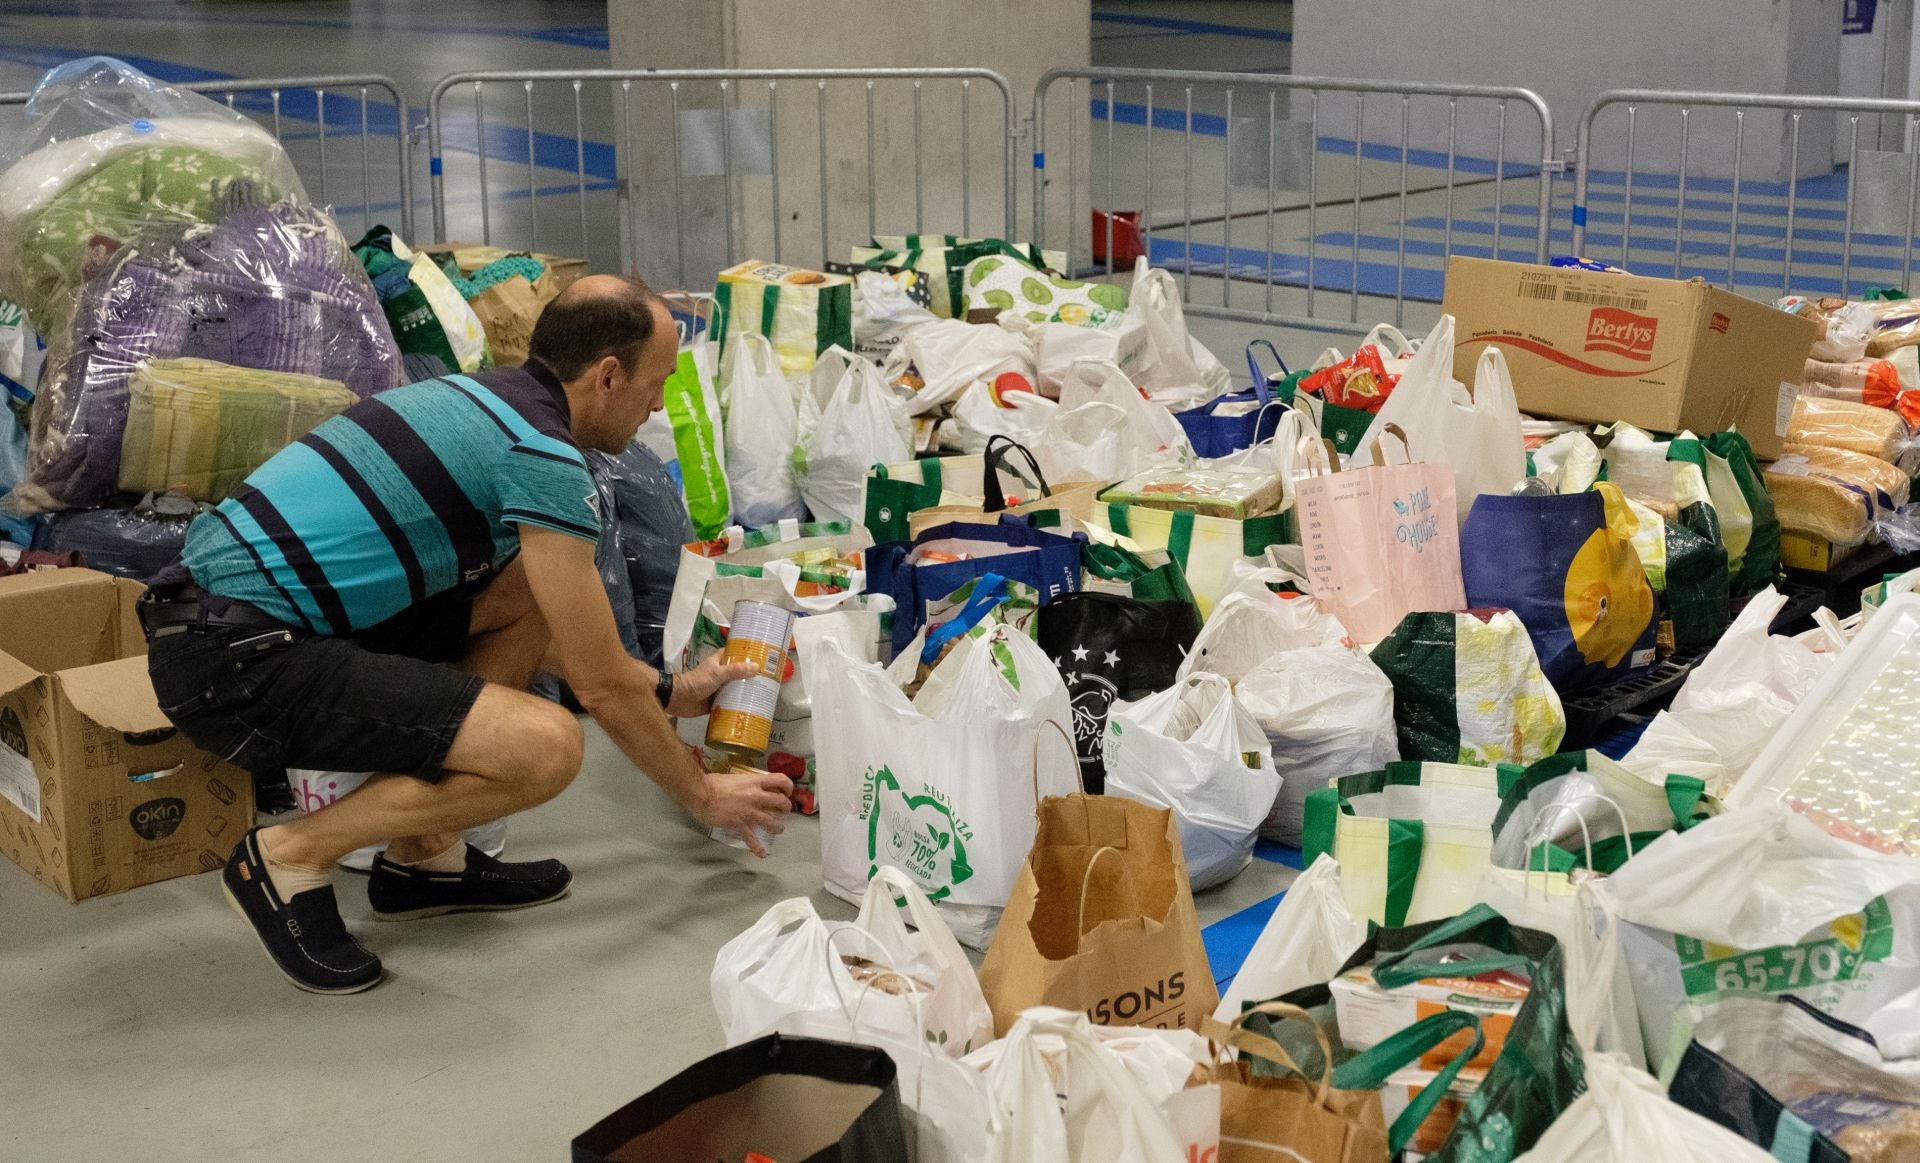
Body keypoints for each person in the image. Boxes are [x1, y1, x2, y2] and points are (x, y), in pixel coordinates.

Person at [140, 275, 793, 995]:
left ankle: (423, 858)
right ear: (608, 375)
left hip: (230, 628)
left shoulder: (486, 399)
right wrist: (704, 796)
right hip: (232, 661)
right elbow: (602, 687)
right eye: (657, 381)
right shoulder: (542, 453)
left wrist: (669, 691)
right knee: (547, 747)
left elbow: (581, 651)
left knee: (531, 593)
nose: (658, 404)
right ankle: (286, 855)